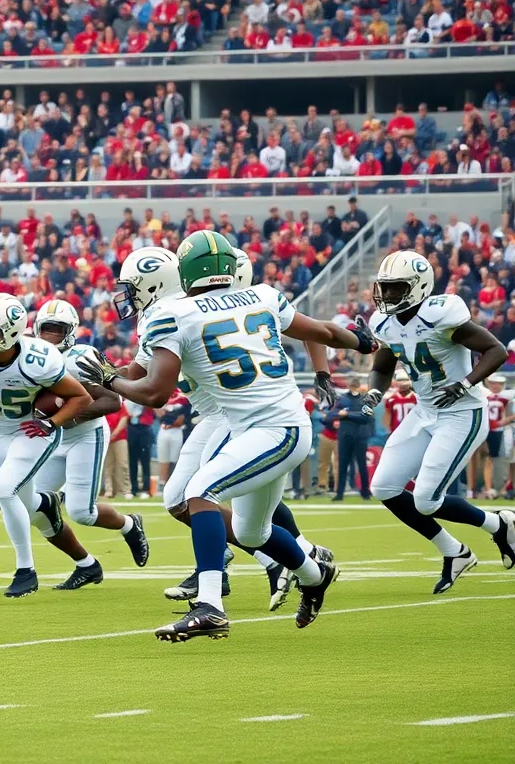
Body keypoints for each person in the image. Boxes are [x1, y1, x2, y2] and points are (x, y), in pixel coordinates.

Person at [106, 231, 377, 640]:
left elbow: (156, 393)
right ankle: (314, 573)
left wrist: (109, 378)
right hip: (268, 427)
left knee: (199, 493)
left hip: (272, 429)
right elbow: (320, 330)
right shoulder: (261, 296)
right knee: (252, 531)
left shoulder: (175, 313)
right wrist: (362, 341)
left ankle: (210, 606)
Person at [361, 251, 515, 593]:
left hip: (463, 412)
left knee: (427, 499)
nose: (386, 296)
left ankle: (499, 525)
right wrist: (375, 392)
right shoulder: (385, 323)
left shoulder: (441, 315)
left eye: (395, 288)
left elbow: (496, 350)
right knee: (384, 486)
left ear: (418, 286)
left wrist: (465, 383)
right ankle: (454, 551)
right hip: (425, 411)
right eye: (383, 288)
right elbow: (384, 364)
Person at [0, 292, 94, 598]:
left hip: (33, 431)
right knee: (16, 502)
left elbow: (82, 397)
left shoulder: (36, 360)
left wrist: (52, 422)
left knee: (5, 489)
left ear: (9, 333)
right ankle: (50, 510)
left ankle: (26, 571)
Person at [31, 299, 150, 590]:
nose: (50, 336)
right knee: (35, 508)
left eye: (57, 330)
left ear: (70, 331)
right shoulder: (30, 357)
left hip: (85, 435)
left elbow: (113, 401)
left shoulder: (81, 356)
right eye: (46, 329)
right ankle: (86, 565)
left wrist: (64, 418)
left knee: (81, 512)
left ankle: (128, 525)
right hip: (53, 436)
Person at [333, 377, 374, 500]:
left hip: (359, 436)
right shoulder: (342, 399)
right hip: (345, 435)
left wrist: (347, 415)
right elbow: (335, 413)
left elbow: (366, 418)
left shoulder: (365, 400)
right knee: (343, 464)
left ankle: (365, 491)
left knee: (361, 464)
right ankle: (339, 493)